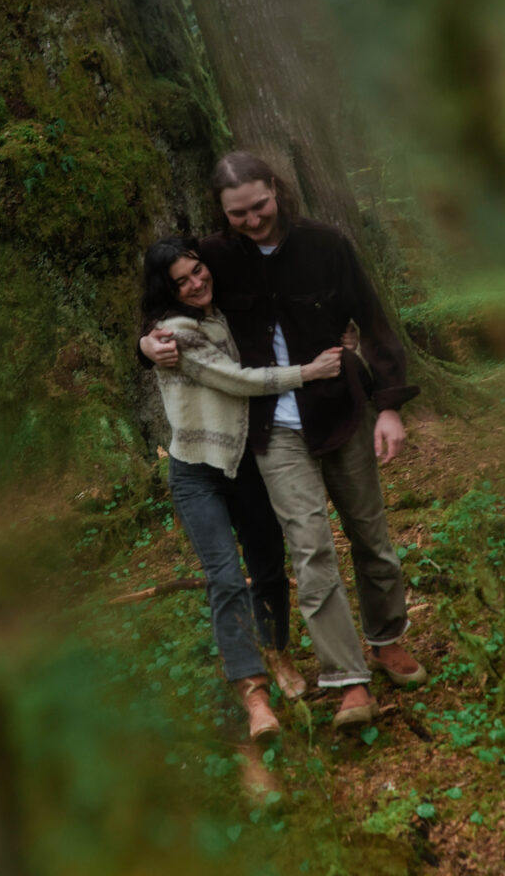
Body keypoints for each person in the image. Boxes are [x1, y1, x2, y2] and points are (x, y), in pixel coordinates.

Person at [140, 151, 426, 729]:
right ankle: (347, 680)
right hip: (271, 429)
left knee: (370, 536)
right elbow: (168, 299)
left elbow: (373, 322)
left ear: (277, 189)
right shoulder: (214, 257)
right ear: (222, 213)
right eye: (237, 213)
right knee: (310, 548)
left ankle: (387, 637)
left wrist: (390, 407)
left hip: (341, 413)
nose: (252, 220)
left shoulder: (327, 245)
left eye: (260, 205)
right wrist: (146, 344)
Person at [141, 235, 345, 741]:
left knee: (269, 568)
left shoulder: (223, 311)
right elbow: (236, 380)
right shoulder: (174, 333)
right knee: (226, 577)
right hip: (196, 473)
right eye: (181, 281)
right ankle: (253, 691)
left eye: (197, 271)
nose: (195, 283)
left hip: (245, 462)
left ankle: (276, 653)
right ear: (166, 290)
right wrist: (308, 372)